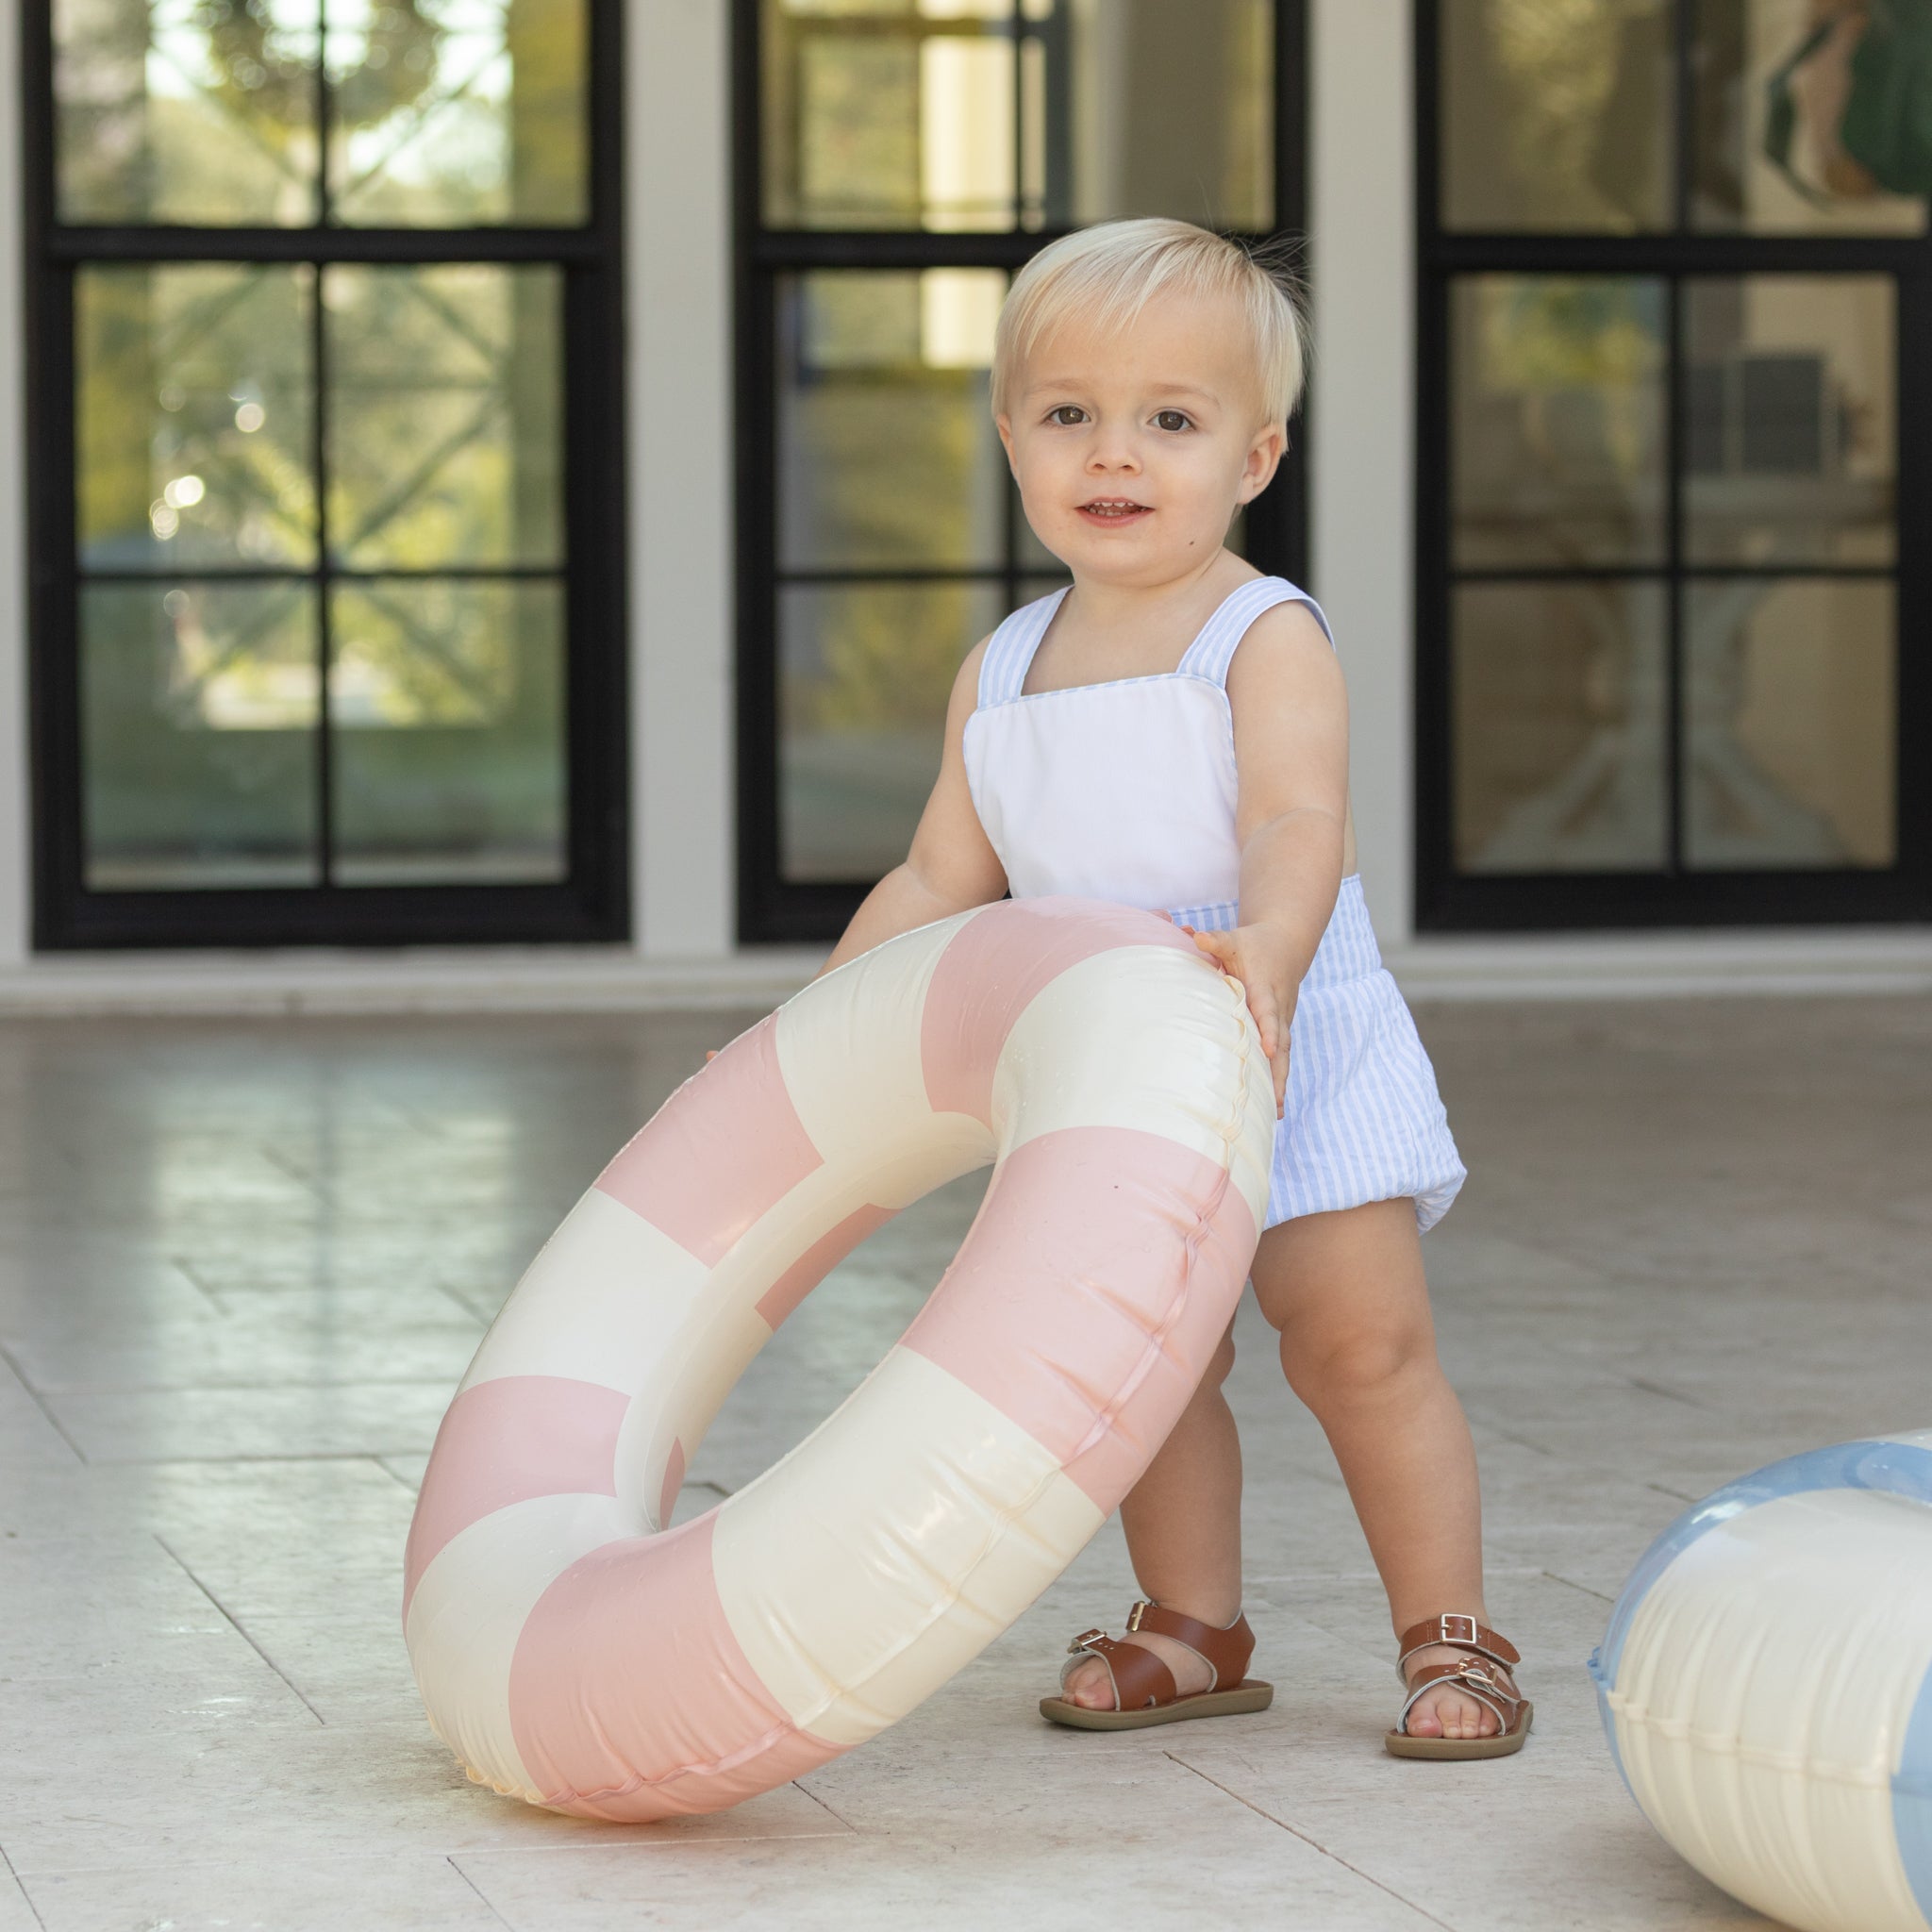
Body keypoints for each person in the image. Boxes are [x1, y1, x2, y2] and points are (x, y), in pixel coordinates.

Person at [814, 218, 1529, 1759]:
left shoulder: (1256, 633)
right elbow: (946, 877)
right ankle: (1194, 1625)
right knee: (1150, 1366)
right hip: (1114, 1067)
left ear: (1256, 455)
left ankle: (1449, 1634)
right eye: (1069, 414)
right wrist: (827, 1024)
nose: (1114, 453)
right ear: (1011, 436)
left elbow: (1296, 820)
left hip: (1280, 1023)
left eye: (1172, 419)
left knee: (1357, 1345)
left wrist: (1268, 943)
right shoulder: (1004, 667)